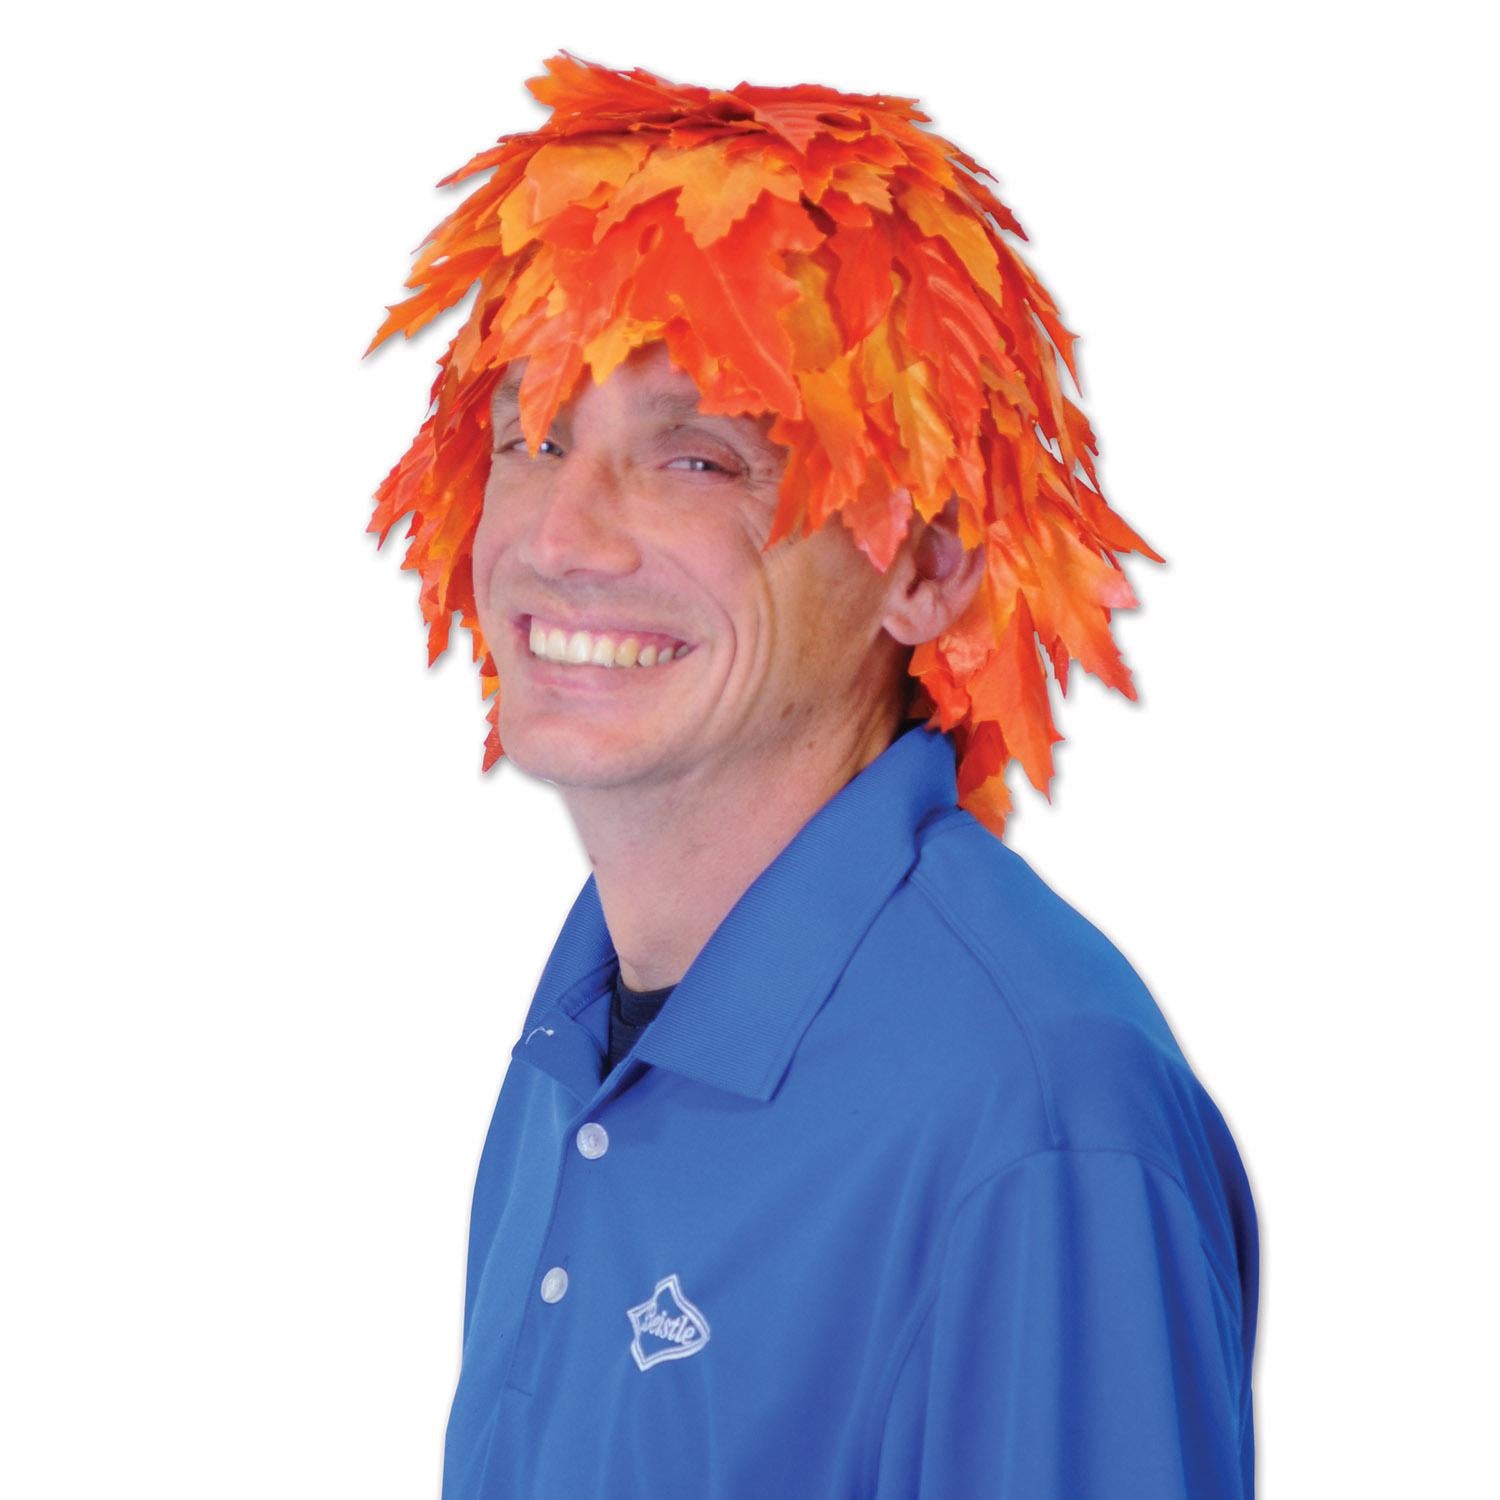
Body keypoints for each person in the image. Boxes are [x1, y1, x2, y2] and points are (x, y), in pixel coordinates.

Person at [366, 53, 1258, 1499]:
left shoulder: (1037, 1123)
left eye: (699, 460)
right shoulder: (585, 1033)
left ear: (928, 564)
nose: (561, 536)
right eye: (531, 437)